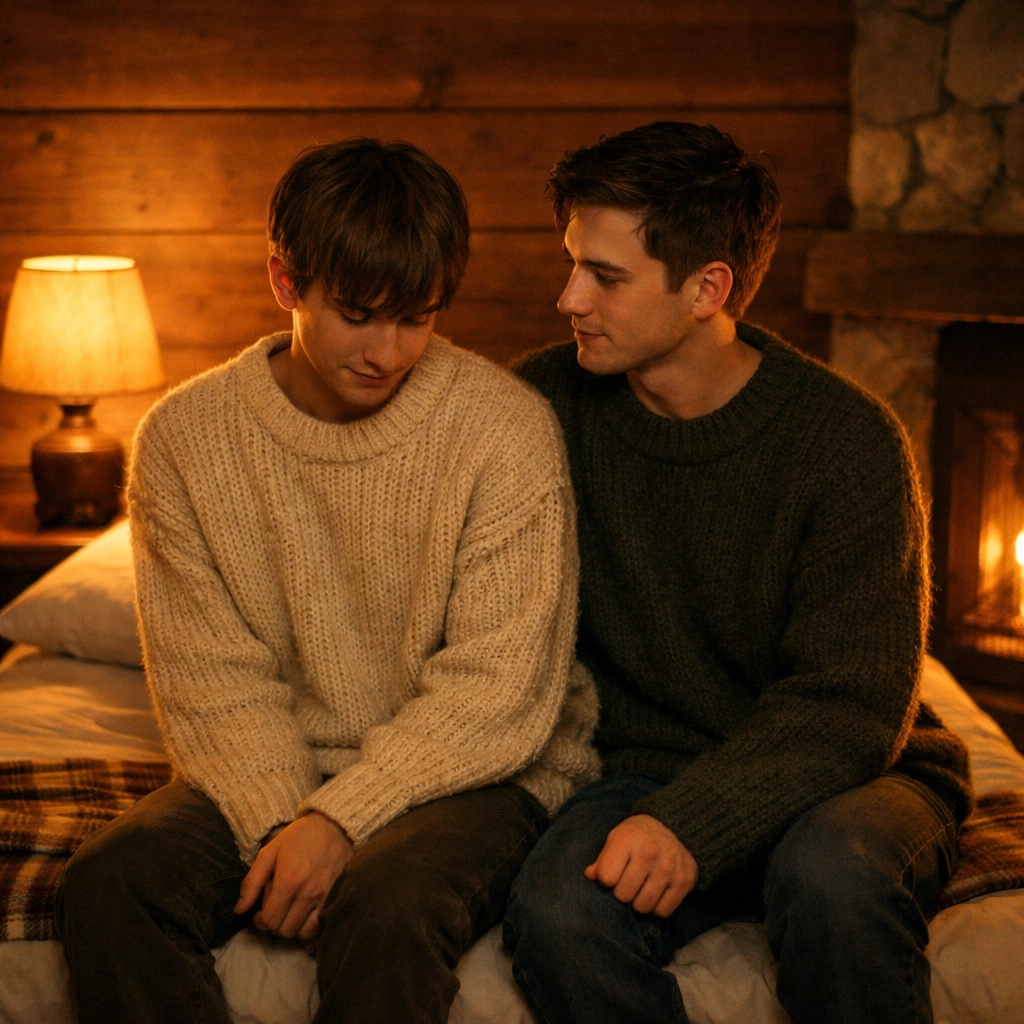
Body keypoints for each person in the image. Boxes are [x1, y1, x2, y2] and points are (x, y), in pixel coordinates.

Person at [56, 138, 599, 1024]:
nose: (386, 351)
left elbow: (498, 688)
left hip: (479, 771)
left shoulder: (505, 430)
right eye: (357, 314)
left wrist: (344, 820)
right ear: (285, 281)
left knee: (384, 905)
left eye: (416, 319)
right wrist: (287, 826)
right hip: (280, 764)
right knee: (109, 884)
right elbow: (215, 682)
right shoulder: (185, 441)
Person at [502, 121, 973, 1024]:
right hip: (641, 767)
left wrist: (692, 825)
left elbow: (851, 704)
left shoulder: (847, 441)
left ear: (707, 289)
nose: (568, 298)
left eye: (605, 276)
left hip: (855, 768)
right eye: (571, 264)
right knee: (560, 912)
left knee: (832, 878)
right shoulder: (540, 406)